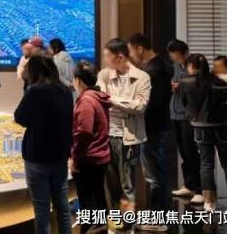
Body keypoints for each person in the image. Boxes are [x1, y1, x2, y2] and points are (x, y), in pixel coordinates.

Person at [14, 55, 73, 234]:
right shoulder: (65, 91)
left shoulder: (34, 91)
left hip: (37, 157)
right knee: (62, 207)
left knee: (42, 211)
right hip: (60, 156)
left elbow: (20, 117)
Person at [180, 54, 227, 212]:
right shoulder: (222, 82)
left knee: (206, 164)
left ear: (191, 67)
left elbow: (184, 104)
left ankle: (209, 202)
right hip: (223, 127)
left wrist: (192, 117)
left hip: (201, 128)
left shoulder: (186, 82)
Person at [97, 38, 150, 225]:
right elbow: (101, 98)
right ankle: (114, 220)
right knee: (110, 183)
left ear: (119, 57)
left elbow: (140, 106)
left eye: (107, 56)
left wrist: (113, 100)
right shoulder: (104, 74)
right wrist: (123, 102)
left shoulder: (142, 77)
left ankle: (128, 222)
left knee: (128, 184)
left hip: (129, 137)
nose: (105, 60)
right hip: (106, 136)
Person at [127, 32, 173, 230]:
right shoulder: (160, 66)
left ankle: (158, 218)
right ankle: (158, 214)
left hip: (151, 126)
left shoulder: (153, 71)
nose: (131, 56)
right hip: (156, 125)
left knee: (153, 174)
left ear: (139, 48)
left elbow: (150, 102)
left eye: (131, 51)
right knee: (156, 171)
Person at [70, 61, 110, 234]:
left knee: (88, 204)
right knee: (98, 199)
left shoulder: (86, 100)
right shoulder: (98, 96)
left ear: (78, 80)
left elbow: (83, 132)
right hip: (100, 155)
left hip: (89, 158)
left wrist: (75, 158)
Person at [166, 39, 203, 204]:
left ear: (185, 53)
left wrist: (181, 86)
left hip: (188, 115)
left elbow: (199, 87)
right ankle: (189, 185)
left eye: (176, 55)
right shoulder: (175, 66)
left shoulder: (194, 65)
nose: (174, 58)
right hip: (175, 113)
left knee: (191, 152)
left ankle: (200, 189)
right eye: (172, 55)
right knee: (183, 151)